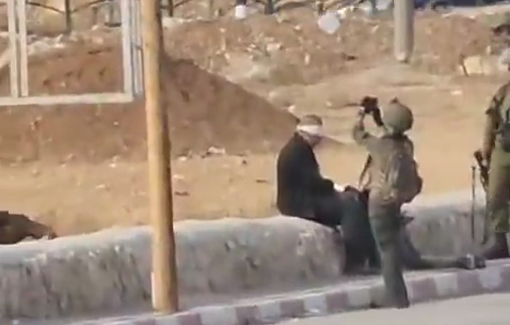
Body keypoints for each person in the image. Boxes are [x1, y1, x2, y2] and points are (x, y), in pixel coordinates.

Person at [276, 114, 379, 273]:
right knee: (350, 207)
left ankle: (372, 258)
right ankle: (354, 263)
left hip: (306, 198)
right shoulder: (296, 152)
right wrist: (337, 189)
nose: (319, 143)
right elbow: (313, 183)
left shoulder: (299, 148)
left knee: (353, 201)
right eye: (317, 139)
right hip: (300, 204)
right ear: (309, 136)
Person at [352, 97, 421, 309]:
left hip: (379, 201)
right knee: (391, 247)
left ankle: (396, 296)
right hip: (396, 200)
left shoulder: (380, 146)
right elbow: (389, 133)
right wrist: (378, 118)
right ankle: (397, 294)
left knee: (387, 250)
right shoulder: (407, 145)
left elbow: (357, 134)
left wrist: (361, 115)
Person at [478, 50, 510, 260]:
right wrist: (486, 150)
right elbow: (491, 122)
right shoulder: (503, 93)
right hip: (504, 150)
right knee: (495, 196)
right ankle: (500, 243)